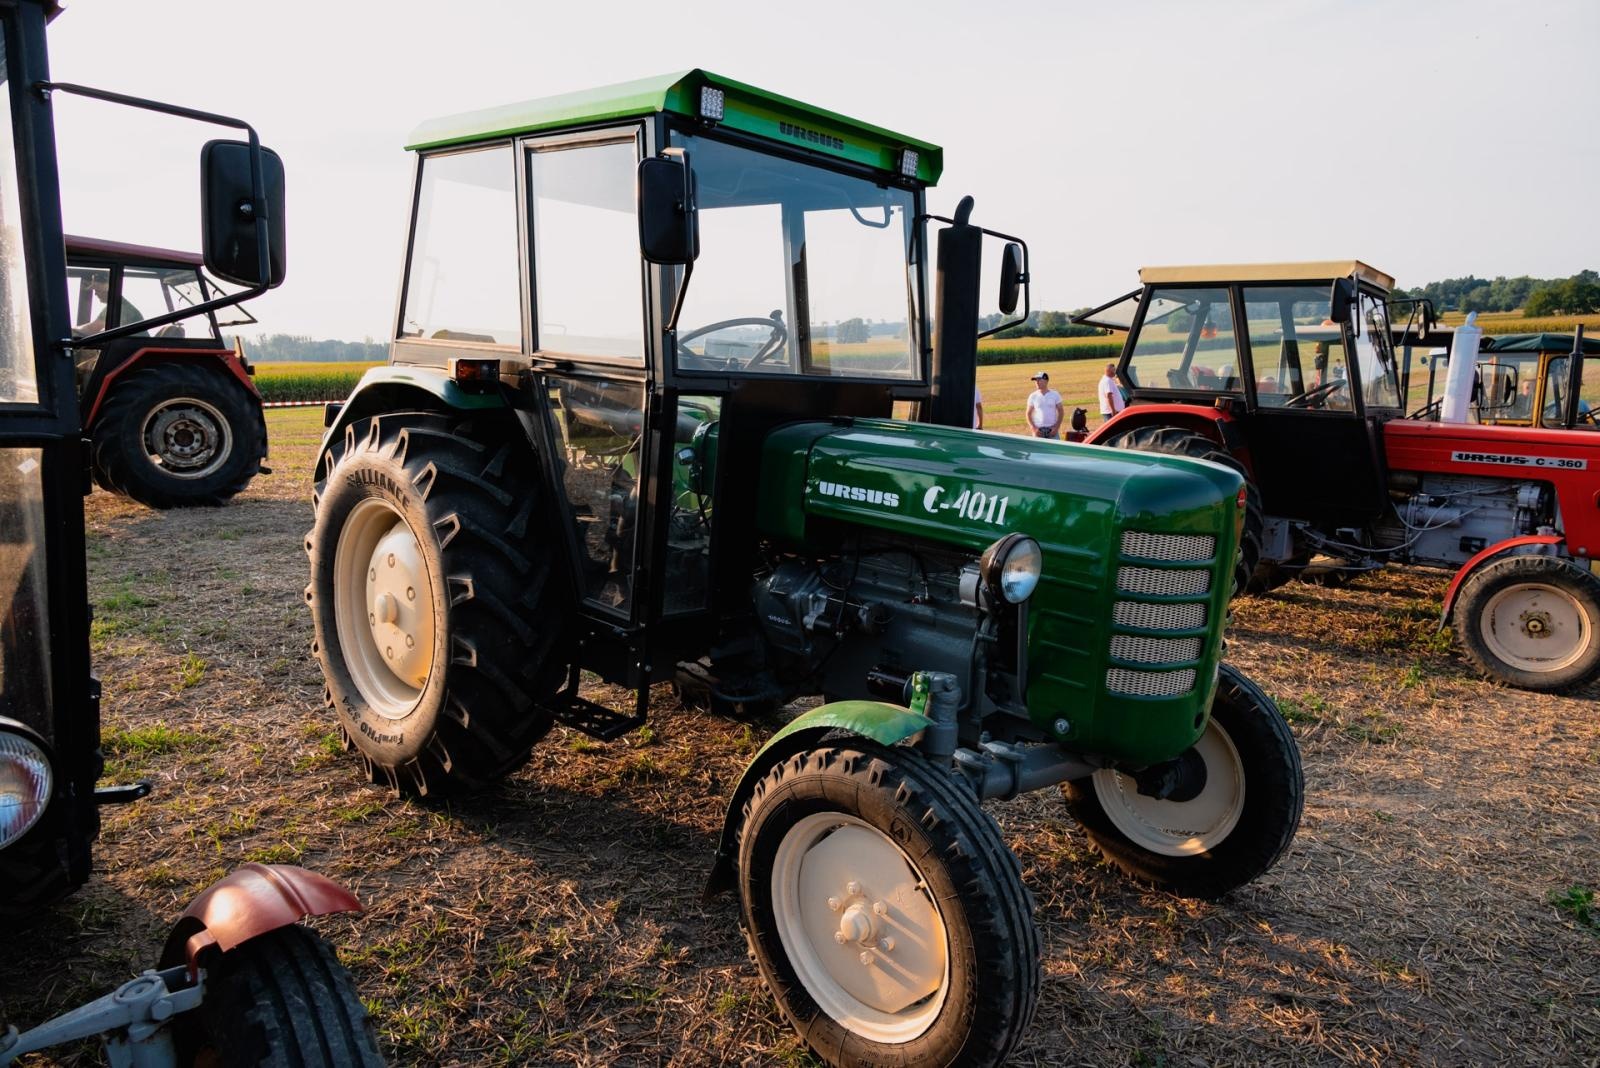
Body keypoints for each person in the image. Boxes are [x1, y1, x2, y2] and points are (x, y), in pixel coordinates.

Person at [1026, 372, 1063, 439]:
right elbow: (1028, 414)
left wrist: (1056, 428)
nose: (1037, 382)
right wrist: (1033, 428)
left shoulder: (1055, 394)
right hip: (1038, 431)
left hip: (1052, 430)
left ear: (1046, 381)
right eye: (1036, 380)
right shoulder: (1033, 396)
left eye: (1039, 380)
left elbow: (1061, 412)